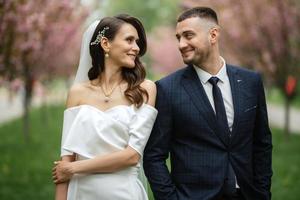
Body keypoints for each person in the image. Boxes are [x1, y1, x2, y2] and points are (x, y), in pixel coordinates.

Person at [143, 7, 272, 200]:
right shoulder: (167, 89)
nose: (181, 44)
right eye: (178, 37)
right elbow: (154, 156)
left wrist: (262, 193)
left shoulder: (250, 81)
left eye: (188, 35)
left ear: (213, 35)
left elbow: (262, 143)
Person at [52, 14, 157, 200]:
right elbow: (65, 160)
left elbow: (132, 156)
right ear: (106, 44)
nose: (136, 48)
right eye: (129, 40)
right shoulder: (77, 92)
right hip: (81, 193)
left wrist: (74, 168)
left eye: (137, 42)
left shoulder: (144, 89)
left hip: (123, 192)